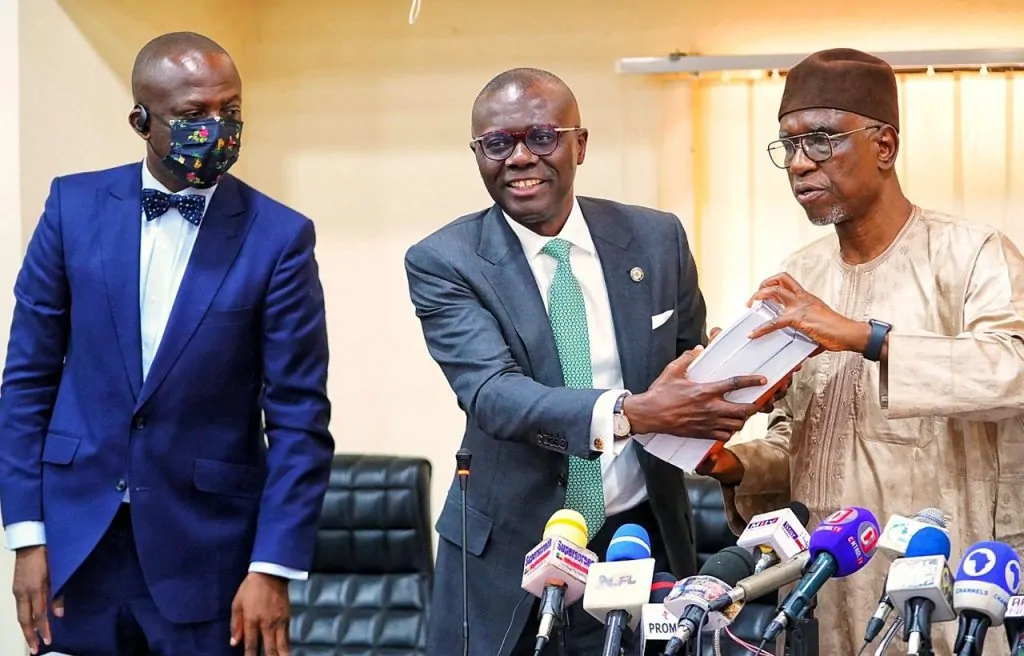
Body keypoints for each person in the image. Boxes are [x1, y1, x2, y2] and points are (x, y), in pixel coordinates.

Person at [404, 67, 778, 656]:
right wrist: (633, 413)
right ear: (478, 155)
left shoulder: (656, 239)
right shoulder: (445, 260)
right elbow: (493, 394)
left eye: (541, 137)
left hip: (640, 539)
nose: (519, 157)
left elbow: (685, 367)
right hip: (510, 557)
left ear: (579, 144)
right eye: (497, 143)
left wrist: (739, 383)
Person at [0, 32, 334, 656]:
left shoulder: (280, 237)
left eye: (230, 110)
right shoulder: (72, 207)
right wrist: (26, 533)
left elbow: (299, 418)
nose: (217, 128)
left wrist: (273, 567)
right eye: (193, 114)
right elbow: (26, 382)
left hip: (210, 557)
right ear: (141, 121)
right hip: (76, 547)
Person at [699, 48, 1024, 655]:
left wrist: (861, 336)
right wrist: (732, 464)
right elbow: (803, 438)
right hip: (820, 589)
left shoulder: (972, 254)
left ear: (885, 146)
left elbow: (1012, 371)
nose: (799, 162)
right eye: (788, 146)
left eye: (820, 141)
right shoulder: (800, 274)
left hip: (943, 588)